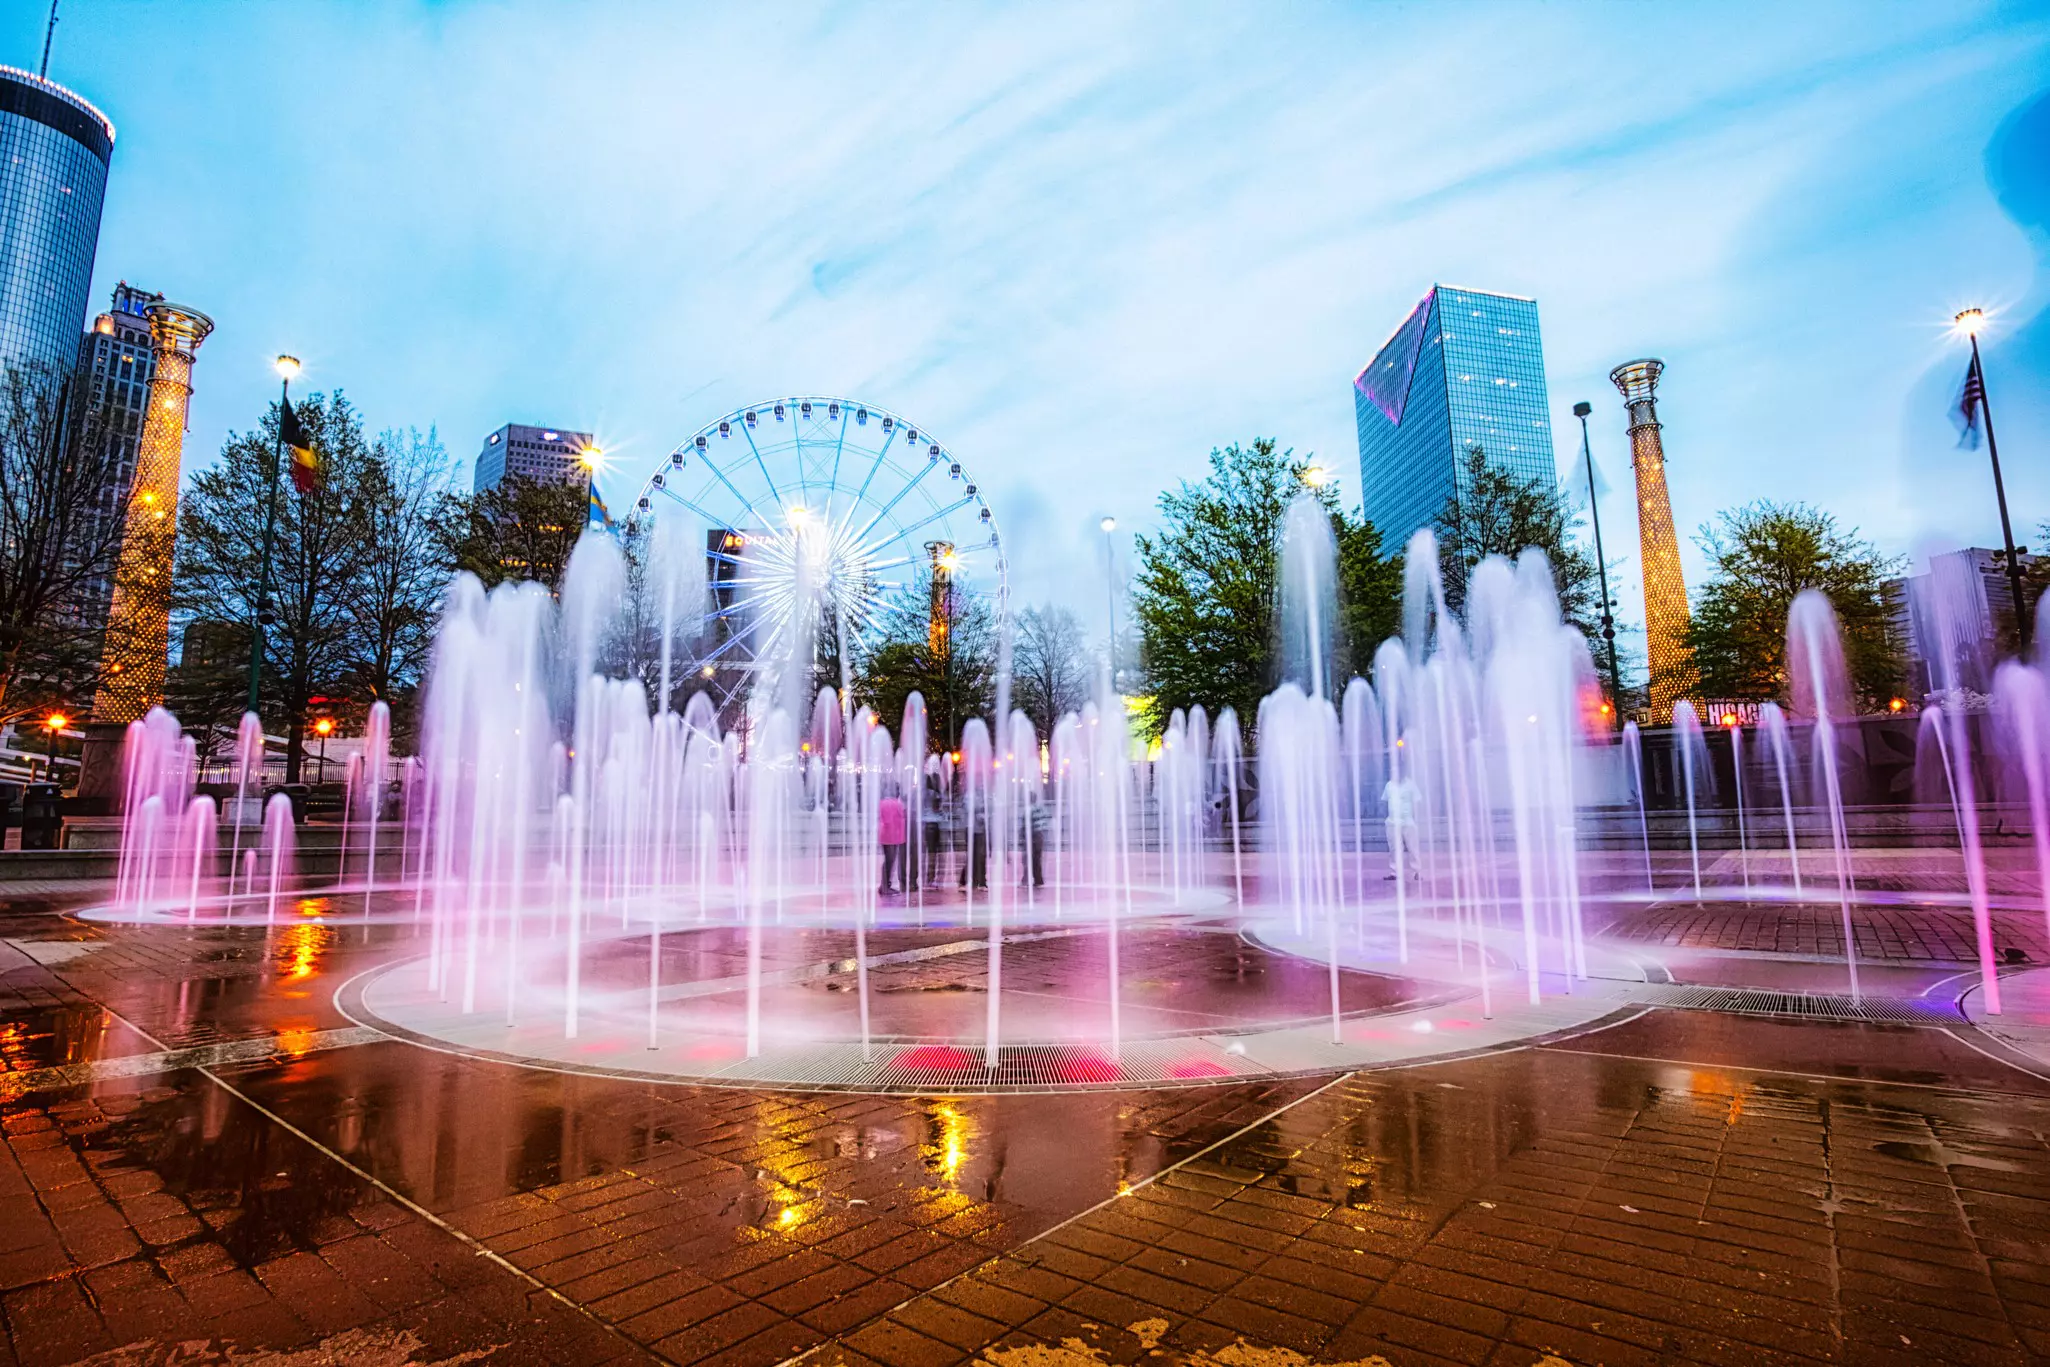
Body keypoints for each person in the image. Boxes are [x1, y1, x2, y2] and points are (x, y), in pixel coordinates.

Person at [1382, 770, 1420, 881]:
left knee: (1413, 848)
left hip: (1407, 821)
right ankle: (1395, 873)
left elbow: (1416, 802)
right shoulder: (1389, 785)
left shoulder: (1411, 784)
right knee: (1394, 849)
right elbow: (1385, 802)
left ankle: (1416, 872)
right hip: (1392, 822)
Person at [878, 787, 908, 895]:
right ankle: (885, 886)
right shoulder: (896, 803)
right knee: (890, 860)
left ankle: (885, 885)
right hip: (891, 836)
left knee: (889, 860)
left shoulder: (883, 803)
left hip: (887, 836)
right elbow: (899, 818)